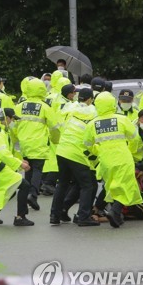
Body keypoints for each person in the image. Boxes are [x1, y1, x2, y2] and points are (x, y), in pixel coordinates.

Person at [83, 92, 143, 228]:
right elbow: (135, 138)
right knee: (126, 185)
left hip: (105, 160)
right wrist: (132, 151)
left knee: (112, 186)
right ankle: (115, 211)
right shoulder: (121, 119)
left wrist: (98, 151)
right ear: (113, 103)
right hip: (123, 157)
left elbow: (86, 144)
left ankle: (116, 215)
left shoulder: (92, 124)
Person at [50, 88, 99, 226]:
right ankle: (83, 217)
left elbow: (57, 126)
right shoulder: (94, 112)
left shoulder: (69, 107)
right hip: (78, 152)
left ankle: (55, 215)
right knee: (87, 185)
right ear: (90, 99)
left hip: (62, 149)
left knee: (62, 184)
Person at [0, 108, 34, 226]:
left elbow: (9, 151)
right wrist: (19, 164)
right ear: (6, 118)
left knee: (9, 191)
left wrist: (20, 160)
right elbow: (2, 153)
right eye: (12, 118)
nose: (13, 121)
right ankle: (20, 218)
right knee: (24, 185)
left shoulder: (2, 131)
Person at [15, 78, 61, 211]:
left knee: (28, 171)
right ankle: (33, 195)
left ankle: (24, 200)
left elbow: (12, 125)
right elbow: (54, 127)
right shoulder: (45, 107)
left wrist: (13, 139)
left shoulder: (20, 106)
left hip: (24, 143)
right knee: (37, 170)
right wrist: (55, 140)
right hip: (39, 143)